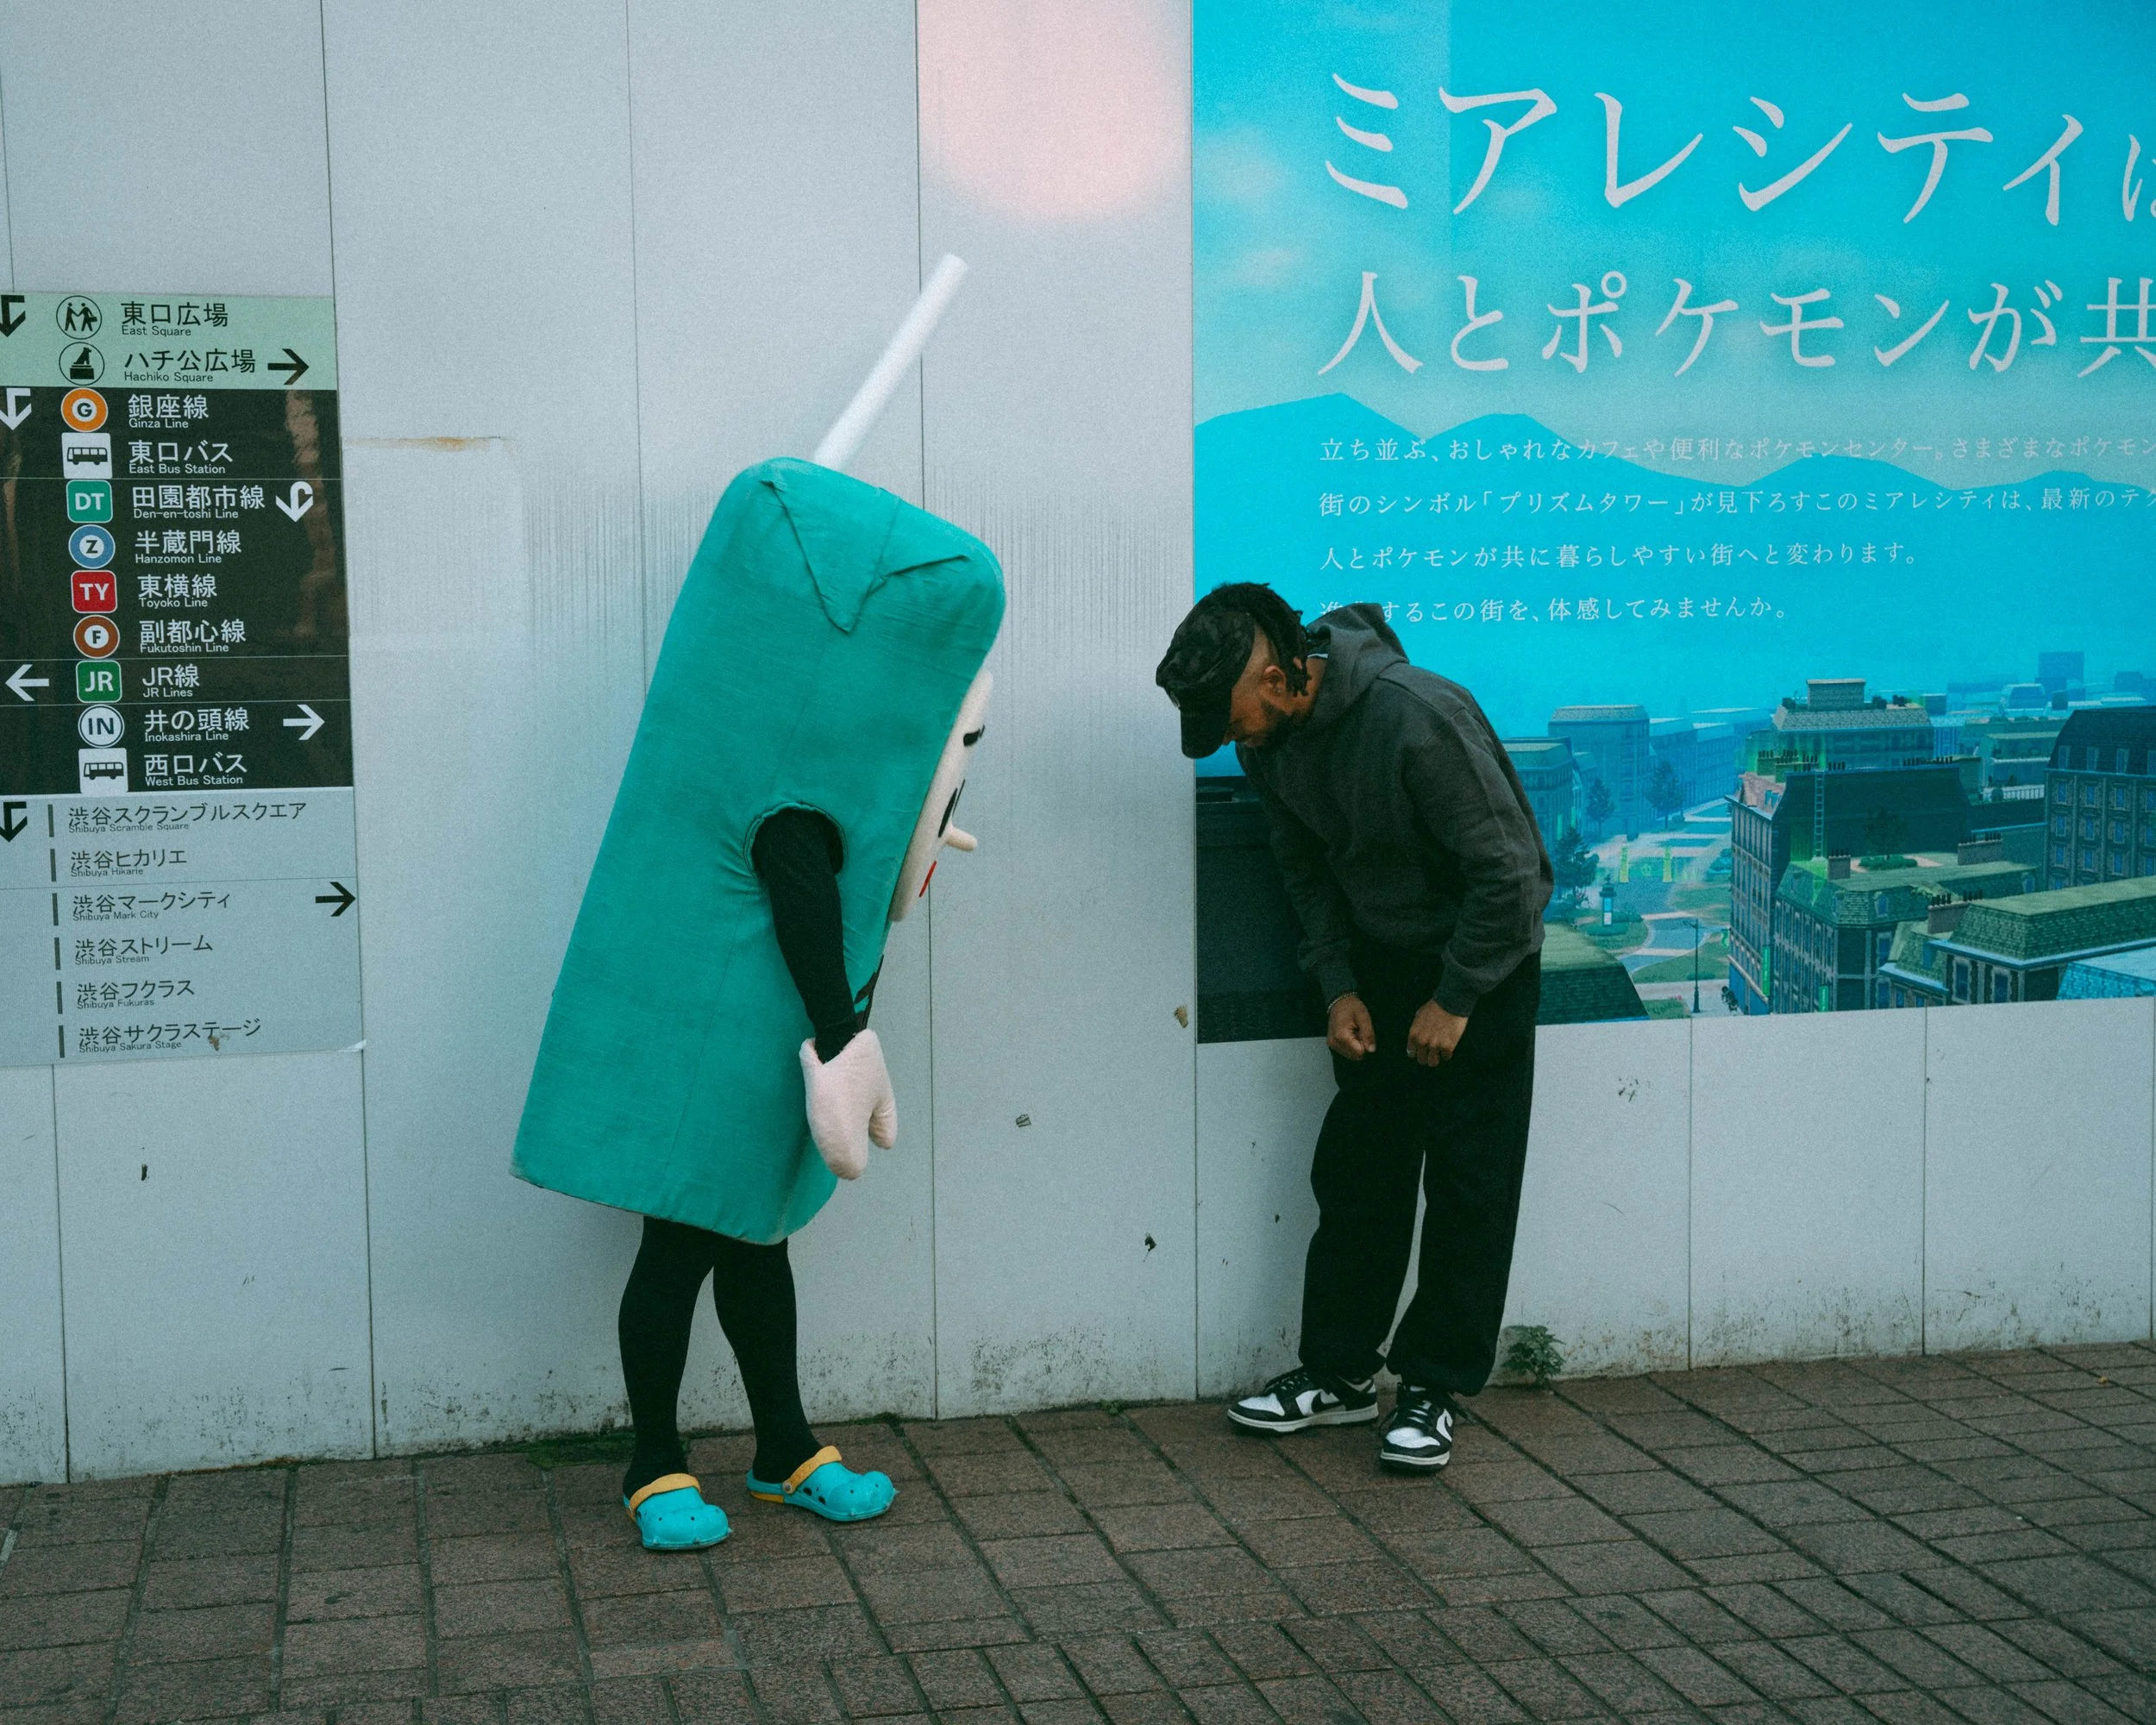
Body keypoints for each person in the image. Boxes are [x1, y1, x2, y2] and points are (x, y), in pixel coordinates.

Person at [515, 458, 1002, 1548]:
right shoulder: (798, 797)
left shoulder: (814, 775)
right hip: (712, 1044)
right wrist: (845, 1038)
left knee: (757, 1242)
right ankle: (655, 1463)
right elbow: (801, 903)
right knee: (681, 1246)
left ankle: (783, 1447)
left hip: (750, 1048)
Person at [1156, 583, 1551, 1471]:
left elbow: (1511, 874)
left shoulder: (1417, 715)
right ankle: (1336, 1375)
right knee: (1359, 1169)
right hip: (1380, 960)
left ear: (1278, 672)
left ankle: (1431, 1388)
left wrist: (1454, 998)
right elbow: (1301, 864)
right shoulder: (1274, 739)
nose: (1237, 741)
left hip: (1480, 960)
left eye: (1236, 719)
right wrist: (1338, 984)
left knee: (1468, 1181)